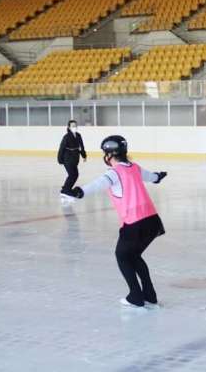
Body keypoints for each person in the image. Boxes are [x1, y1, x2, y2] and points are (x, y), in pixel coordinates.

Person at [66, 135, 167, 309]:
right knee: (133, 256)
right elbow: (151, 177)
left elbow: (99, 184)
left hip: (135, 223)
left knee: (122, 256)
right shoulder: (134, 167)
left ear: (110, 154)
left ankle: (136, 296)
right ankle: (149, 296)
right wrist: (159, 176)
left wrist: (80, 192)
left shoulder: (114, 173)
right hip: (152, 221)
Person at [57, 120, 87, 198]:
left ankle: (67, 189)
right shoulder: (66, 137)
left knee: (75, 174)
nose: (74, 127)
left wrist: (84, 155)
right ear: (69, 127)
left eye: (75, 126)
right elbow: (61, 148)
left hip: (75, 158)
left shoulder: (78, 135)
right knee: (72, 174)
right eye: (73, 126)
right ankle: (65, 190)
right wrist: (60, 159)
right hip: (67, 157)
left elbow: (81, 147)